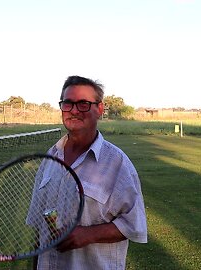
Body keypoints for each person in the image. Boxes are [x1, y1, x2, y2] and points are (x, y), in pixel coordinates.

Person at [35, 75, 147, 269]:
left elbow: (134, 223)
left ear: (100, 109)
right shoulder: (50, 158)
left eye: (84, 104)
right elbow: (39, 231)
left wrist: (88, 235)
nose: (74, 111)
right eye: (68, 103)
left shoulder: (117, 163)